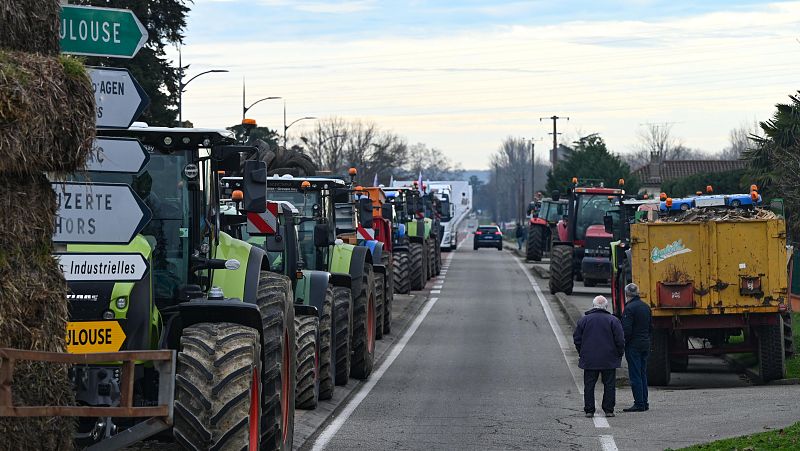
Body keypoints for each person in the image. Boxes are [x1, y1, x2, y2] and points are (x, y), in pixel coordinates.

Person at [573, 295, 625, 418]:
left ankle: (589, 410)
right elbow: (620, 340)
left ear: (593, 306)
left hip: (590, 359)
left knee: (589, 385)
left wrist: (582, 352)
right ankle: (608, 410)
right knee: (609, 384)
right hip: (609, 358)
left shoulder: (584, 320)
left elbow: (577, 339)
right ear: (606, 307)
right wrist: (619, 353)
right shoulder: (613, 320)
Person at [621, 283, 653, 412]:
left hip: (634, 345)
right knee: (642, 373)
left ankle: (639, 403)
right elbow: (651, 327)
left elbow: (626, 330)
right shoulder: (646, 307)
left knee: (635, 374)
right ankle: (644, 402)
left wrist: (623, 344)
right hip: (645, 343)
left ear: (626, 294)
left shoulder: (629, 308)